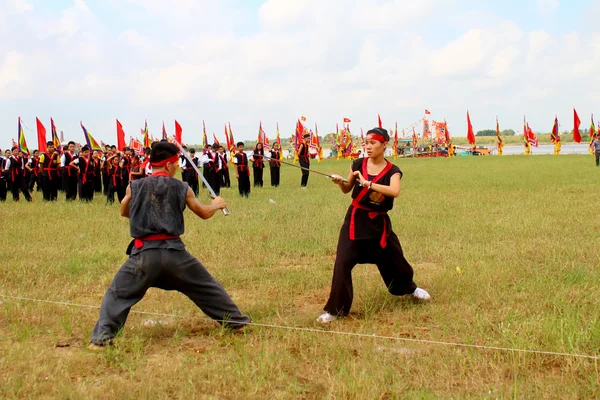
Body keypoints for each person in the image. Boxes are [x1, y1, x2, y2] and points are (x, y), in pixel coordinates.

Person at [89, 141, 250, 349]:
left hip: (143, 256)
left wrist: (142, 211)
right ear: (167, 165)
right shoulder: (182, 187)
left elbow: (123, 211)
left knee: (117, 294)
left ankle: (101, 340)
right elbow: (203, 213)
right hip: (176, 256)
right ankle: (236, 323)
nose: (177, 167)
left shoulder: (134, 186)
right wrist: (216, 205)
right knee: (208, 288)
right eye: (175, 164)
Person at [317, 128, 431, 324]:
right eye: (366, 143)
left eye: (373, 143)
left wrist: (368, 184)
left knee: (395, 259)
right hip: (355, 220)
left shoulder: (393, 171)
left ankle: (410, 289)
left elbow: (394, 191)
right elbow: (347, 189)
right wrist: (340, 182)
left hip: (378, 223)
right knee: (343, 262)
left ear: (384, 144)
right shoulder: (358, 164)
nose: (368, 147)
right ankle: (336, 310)